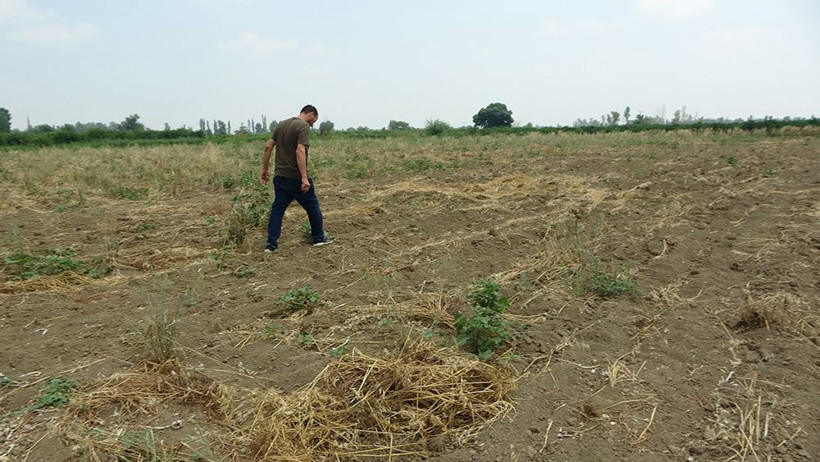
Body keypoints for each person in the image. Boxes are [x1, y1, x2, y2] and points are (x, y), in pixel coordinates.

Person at [261, 104, 333, 252]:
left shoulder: (282, 124)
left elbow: (268, 146)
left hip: (280, 176)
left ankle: (271, 244)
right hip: (295, 177)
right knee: (312, 207)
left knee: (277, 210)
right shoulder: (302, 126)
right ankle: (319, 238)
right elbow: (300, 150)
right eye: (313, 121)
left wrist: (265, 169)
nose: (312, 125)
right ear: (311, 114)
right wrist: (304, 178)